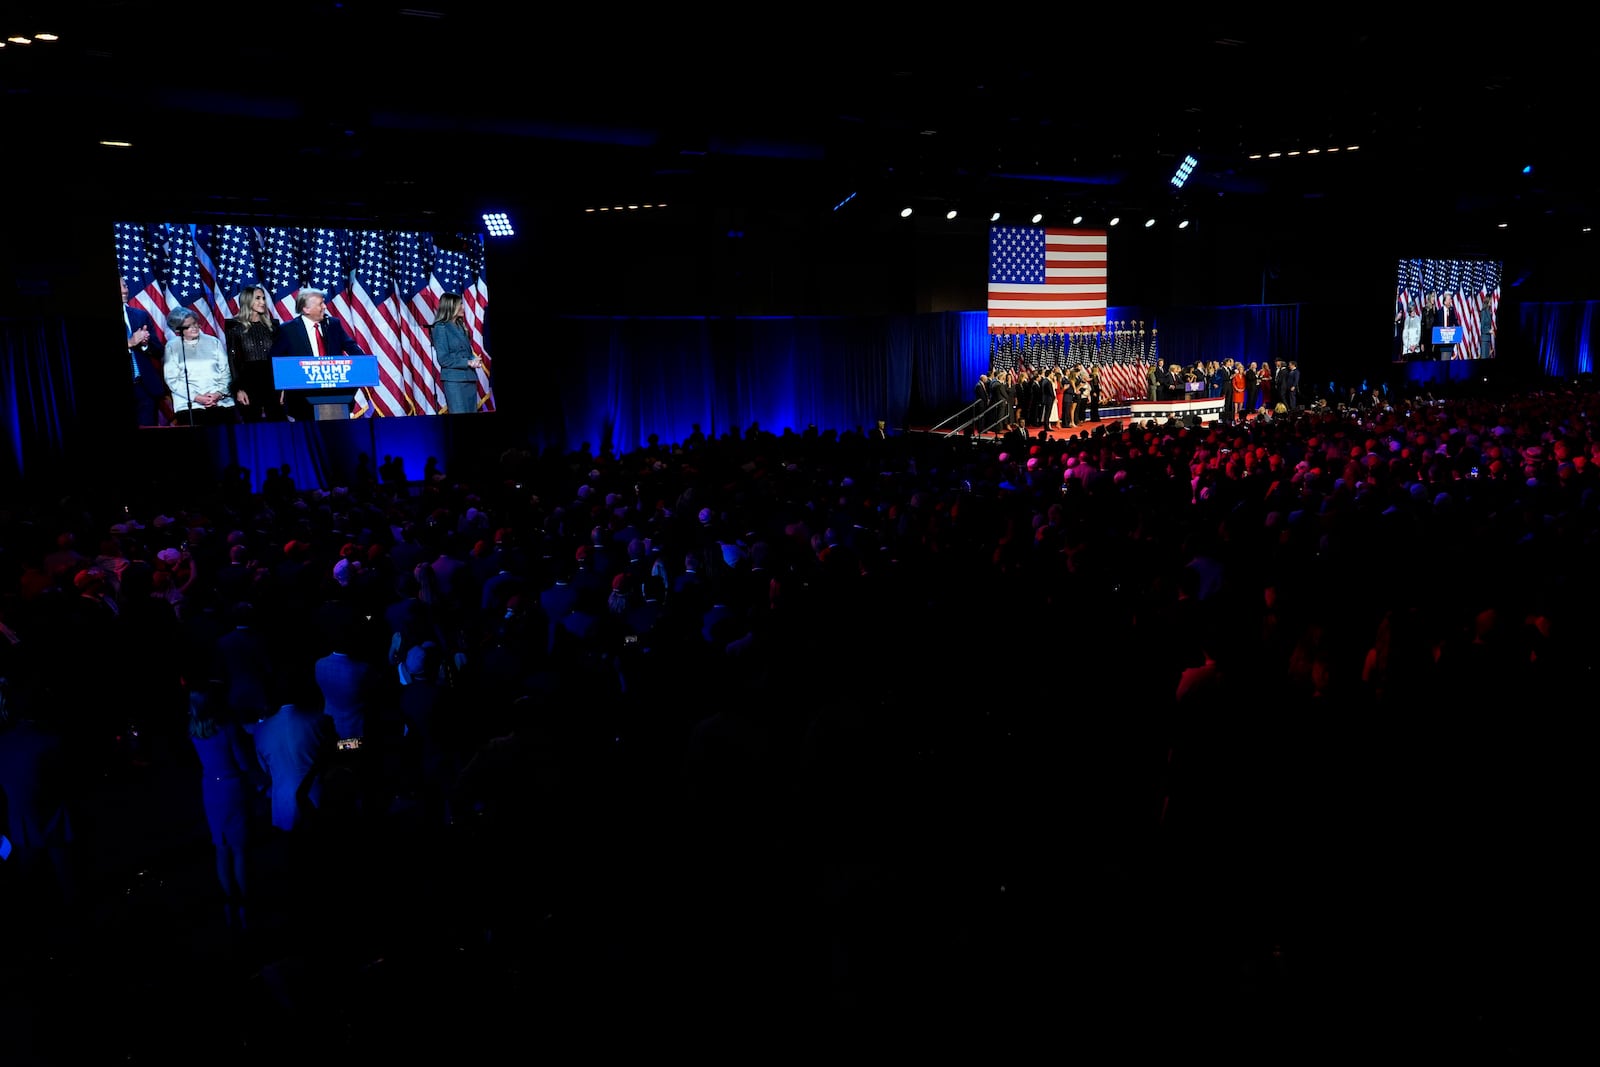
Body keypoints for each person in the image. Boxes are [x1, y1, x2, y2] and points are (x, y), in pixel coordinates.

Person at [267, 287, 363, 420]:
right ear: (306, 309)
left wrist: (364, 365)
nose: (325, 306)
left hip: (336, 395)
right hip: (302, 399)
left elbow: (353, 349)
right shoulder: (288, 330)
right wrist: (281, 386)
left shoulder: (333, 324)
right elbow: (274, 360)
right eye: (320, 304)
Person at [163, 309, 237, 426]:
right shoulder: (172, 347)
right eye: (188, 326)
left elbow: (226, 372)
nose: (194, 327)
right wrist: (197, 397)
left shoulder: (213, 342)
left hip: (220, 401)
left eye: (195, 323)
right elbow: (172, 379)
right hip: (190, 405)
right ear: (178, 330)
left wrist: (218, 394)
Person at [224, 285, 282, 421]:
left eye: (263, 298)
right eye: (257, 298)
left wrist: (283, 387)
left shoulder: (273, 327)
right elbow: (233, 361)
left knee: (279, 422)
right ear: (247, 300)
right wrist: (238, 389)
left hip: (272, 381)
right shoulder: (235, 327)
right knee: (252, 423)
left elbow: (280, 357)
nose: (262, 302)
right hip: (248, 382)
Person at [123, 274, 170, 426]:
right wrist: (130, 342)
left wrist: (144, 344)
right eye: (121, 286)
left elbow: (159, 350)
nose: (125, 290)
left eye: (125, 285)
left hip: (144, 388)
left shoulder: (139, 315)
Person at [428, 292, 484, 414]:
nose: (463, 307)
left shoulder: (460, 325)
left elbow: (464, 351)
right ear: (451, 306)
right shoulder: (440, 327)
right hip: (455, 382)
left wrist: (474, 360)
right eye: (460, 304)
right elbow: (443, 359)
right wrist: (468, 362)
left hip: (469, 378)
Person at [1479, 294, 1495, 358]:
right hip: (1484, 339)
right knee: (1484, 357)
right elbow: (1482, 328)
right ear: (1488, 300)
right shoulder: (1483, 312)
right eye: (1490, 300)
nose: (1491, 301)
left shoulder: (1489, 311)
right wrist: (1489, 331)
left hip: (1488, 338)